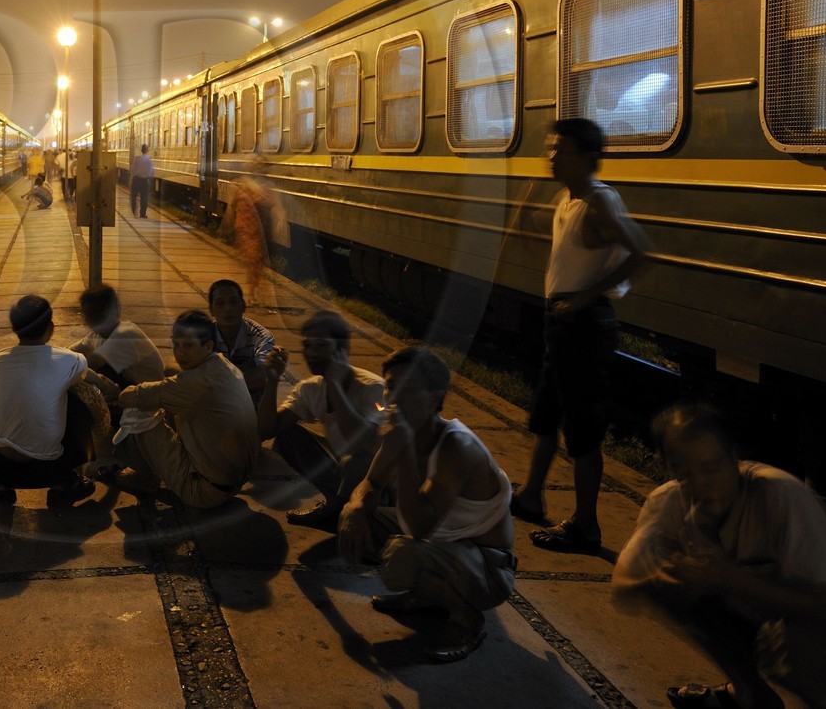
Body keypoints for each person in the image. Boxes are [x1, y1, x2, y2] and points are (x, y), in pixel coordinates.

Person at [613, 403, 826, 709]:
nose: (702, 484)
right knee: (678, 592)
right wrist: (669, 576)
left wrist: (730, 579)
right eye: (684, 471)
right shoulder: (672, 500)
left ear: (735, 458)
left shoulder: (778, 494)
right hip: (793, 633)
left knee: (792, 643)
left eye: (712, 467)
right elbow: (624, 581)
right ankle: (750, 694)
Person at [509, 117, 651, 553]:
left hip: (584, 327)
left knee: (583, 429)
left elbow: (641, 250)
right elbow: (556, 253)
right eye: (549, 149)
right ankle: (532, 495)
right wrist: (521, 223)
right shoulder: (567, 198)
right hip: (562, 320)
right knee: (546, 416)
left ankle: (586, 525)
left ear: (588, 158)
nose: (551, 157)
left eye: (560, 150)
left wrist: (588, 297)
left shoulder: (599, 200)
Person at [338, 345, 516, 664]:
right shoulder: (405, 432)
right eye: (390, 386)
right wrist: (355, 508)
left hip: (488, 570)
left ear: (435, 397)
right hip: (445, 546)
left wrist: (404, 451)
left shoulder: (455, 447)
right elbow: (371, 483)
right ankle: (427, 596)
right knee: (363, 518)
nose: (392, 398)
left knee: (403, 554)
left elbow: (417, 528)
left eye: (406, 390)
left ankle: (467, 621)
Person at [102, 310, 260, 509]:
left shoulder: (194, 384)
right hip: (232, 483)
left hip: (202, 491)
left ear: (208, 346)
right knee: (169, 385)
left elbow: (129, 397)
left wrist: (117, 394)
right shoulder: (223, 365)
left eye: (188, 345)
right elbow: (171, 368)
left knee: (140, 413)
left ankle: (146, 479)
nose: (180, 352)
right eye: (176, 344)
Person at [0, 295, 116, 506]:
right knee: (77, 397)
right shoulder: (70, 359)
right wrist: (117, 392)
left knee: (4, 397)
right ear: (51, 328)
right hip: (49, 469)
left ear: (14, 329)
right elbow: (99, 383)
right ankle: (64, 485)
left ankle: (2, 487)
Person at [256, 311, 385, 529]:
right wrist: (271, 380)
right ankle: (335, 505)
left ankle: (350, 514)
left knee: (355, 461)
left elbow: (363, 445)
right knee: (287, 435)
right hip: (343, 467)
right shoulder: (311, 387)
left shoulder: (374, 388)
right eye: (308, 345)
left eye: (322, 346)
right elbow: (266, 430)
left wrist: (335, 387)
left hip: (378, 480)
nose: (312, 353)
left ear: (341, 351)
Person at [70, 285, 167, 472]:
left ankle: (110, 450)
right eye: (89, 315)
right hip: (130, 393)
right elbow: (71, 352)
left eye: (98, 314)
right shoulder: (98, 335)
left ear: (114, 310)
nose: (92, 320)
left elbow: (89, 363)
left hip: (148, 403)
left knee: (84, 382)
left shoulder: (125, 334)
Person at [219, 156, 286, 304]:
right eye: (253, 164)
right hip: (244, 228)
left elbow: (277, 204)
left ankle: (253, 290)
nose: (256, 166)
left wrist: (280, 217)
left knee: (259, 260)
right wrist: (226, 222)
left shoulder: (267, 186)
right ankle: (251, 294)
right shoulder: (238, 184)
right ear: (247, 166)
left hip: (262, 228)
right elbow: (231, 206)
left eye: (259, 164)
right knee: (253, 257)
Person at [208, 278, 277, 404]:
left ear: (243, 306)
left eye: (233, 302)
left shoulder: (261, 337)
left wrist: (215, 385)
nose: (228, 309)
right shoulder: (205, 334)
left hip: (249, 409)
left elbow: (265, 374)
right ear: (211, 310)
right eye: (220, 303)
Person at [130, 143, 155, 217]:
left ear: (141, 150)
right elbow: (151, 173)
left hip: (136, 180)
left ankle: (134, 212)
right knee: (144, 198)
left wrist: (131, 179)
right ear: (147, 151)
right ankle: (143, 214)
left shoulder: (137, 159)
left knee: (133, 196)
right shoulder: (150, 161)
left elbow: (132, 170)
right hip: (144, 181)